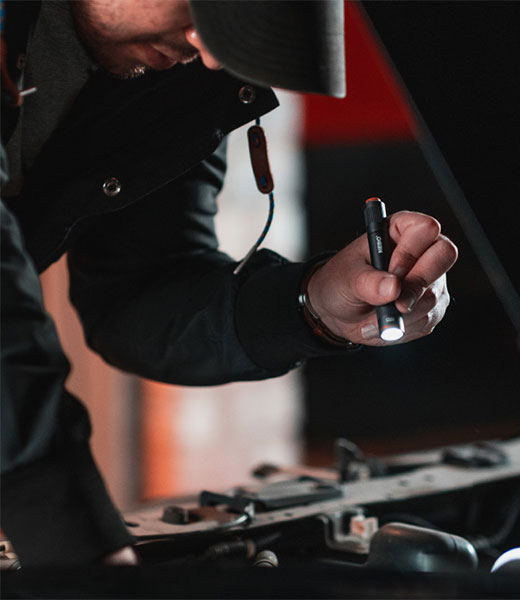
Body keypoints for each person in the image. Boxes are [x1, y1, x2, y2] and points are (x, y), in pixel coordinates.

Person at [0, 0, 458, 566]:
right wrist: (76, 544)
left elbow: (140, 289)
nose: (214, 53)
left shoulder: (180, 64)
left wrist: (312, 304)